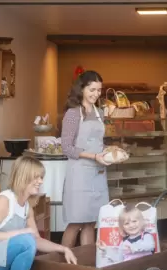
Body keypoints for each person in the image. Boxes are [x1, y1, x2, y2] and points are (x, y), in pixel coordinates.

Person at [60, 70, 110, 248]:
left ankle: (86, 264)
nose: (96, 94)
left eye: (99, 90)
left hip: (97, 173)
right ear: (81, 89)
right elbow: (66, 147)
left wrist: (109, 152)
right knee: (76, 222)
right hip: (79, 174)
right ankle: (64, 264)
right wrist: (94, 156)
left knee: (91, 222)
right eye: (92, 89)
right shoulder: (72, 114)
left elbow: (97, 143)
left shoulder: (100, 113)